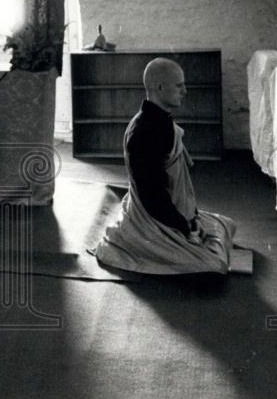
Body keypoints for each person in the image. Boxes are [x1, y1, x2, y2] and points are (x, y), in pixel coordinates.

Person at [94, 58, 236, 274]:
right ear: (160, 87)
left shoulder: (162, 120)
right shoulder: (143, 133)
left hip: (173, 210)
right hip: (151, 220)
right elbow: (153, 197)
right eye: (179, 86)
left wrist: (193, 215)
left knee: (226, 224)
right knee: (214, 266)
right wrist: (184, 227)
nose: (185, 91)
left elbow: (178, 185)